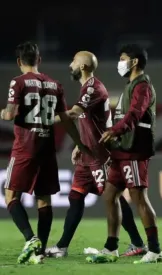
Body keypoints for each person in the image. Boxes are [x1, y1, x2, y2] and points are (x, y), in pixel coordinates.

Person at [45, 51, 147, 258]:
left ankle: (137, 242)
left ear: (82, 66)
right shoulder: (87, 88)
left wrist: (41, 119)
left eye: (73, 61)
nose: (70, 65)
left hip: (100, 156)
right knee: (75, 196)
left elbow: (73, 113)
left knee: (114, 199)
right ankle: (62, 246)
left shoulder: (92, 87)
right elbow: (87, 120)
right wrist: (79, 145)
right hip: (87, 155)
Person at [1, 41, 91, 264]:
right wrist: (79, 143)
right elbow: (67, 120)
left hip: (25, 148)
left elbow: (10, 115)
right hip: (47, 148)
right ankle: (39, 252)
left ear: (19, 62)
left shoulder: (18, 82)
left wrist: (3, 113)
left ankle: (31, 239)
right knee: (44, 200)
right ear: (39, 60)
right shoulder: (55, 84)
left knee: (11, 196)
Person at [87, 44, 162, 264]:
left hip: (135, 150)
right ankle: (111, 247)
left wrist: (115, 131)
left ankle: (155, 249)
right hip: (122, 150)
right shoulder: (130, 86)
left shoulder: (142, 86)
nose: (120, 63)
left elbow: (135, 114)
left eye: (123, 58)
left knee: (139, 196)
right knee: (110, 196)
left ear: (134, 61)